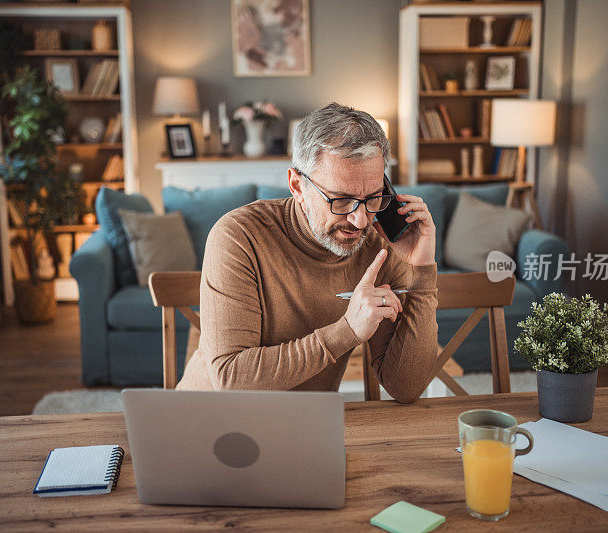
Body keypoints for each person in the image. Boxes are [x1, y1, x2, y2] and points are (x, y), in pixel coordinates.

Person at [176, 102, 439, 402]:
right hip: (208, 421)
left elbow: (405, 388)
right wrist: (347, 331)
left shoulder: (378, 244)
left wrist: (421, 271)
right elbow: (232, 378)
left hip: (309, 426)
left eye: (373, 197)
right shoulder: (238, 236)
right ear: (297, 186)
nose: (360, 219)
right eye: (340, 200)